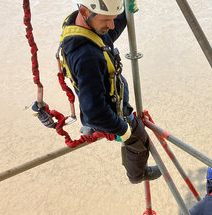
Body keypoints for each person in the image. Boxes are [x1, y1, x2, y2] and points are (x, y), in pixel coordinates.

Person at [58, 0, 161, 184]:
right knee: (139, 139)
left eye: (113, 19)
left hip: (100, 96)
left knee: (128, 131)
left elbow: (108, 34)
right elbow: (96, 112)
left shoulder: (78, 23)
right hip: (106, 112)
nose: (111, 25)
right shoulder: (87, 56)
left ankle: (110, 134)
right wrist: (124, 130)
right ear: (84, 11)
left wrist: (124, 15)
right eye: (107, 19)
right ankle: (137, 175)